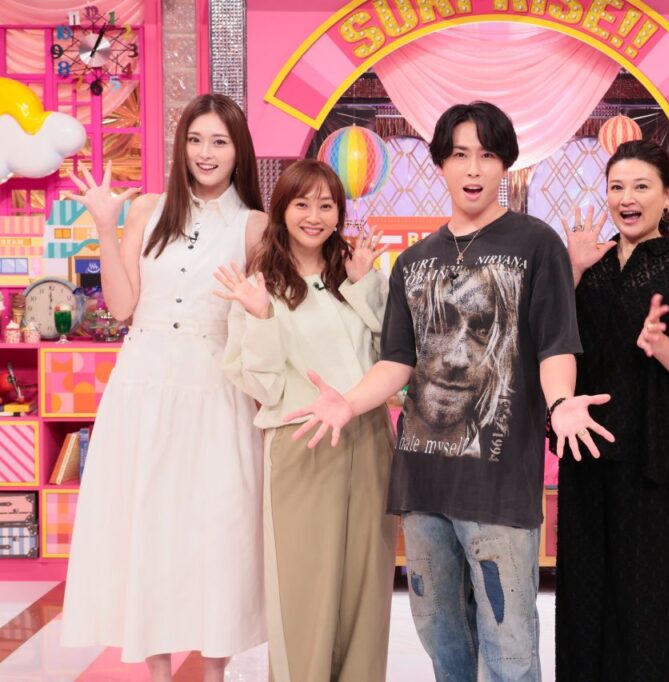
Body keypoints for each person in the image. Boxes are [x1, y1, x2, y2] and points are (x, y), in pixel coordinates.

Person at [285, 101, 613, 681]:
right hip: (422, 482)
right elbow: (397, 361)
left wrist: (561, 402)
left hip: (499, 487)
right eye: (460, 154)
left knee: (509, 647)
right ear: (441, 163)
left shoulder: (537, 245)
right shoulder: (414, 262)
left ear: (505, 164)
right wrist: (350, 402)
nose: (473, 168)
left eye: (486, 155)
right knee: (440, 636)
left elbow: (555, 347)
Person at [60, 93, 267, 681]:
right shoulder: (149, 210)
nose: (206, 152)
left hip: (216, 387)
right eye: (196, 140)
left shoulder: (255, 226)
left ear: (238, 151)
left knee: (219, 528)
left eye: (219, 141)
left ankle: (214, 671)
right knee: (146, 524)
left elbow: (264, 317)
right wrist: (105, 226)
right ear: (181, 147)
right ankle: (156, 671)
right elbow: (123, 304)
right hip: (144, 384)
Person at [217, 159, 396, 682]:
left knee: (367, 589)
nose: (314, 216)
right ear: (282, 210)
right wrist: (261, 317)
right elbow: (262, 385)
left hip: (369, 438)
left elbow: (394, 356)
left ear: (340, 213)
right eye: (302, 203)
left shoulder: (354, 275)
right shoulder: (260, 286)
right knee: (304, 592)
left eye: (326, 205)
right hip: (302, 442)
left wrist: (365, 285)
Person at [555, 139, 669, 682]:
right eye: (617, 187)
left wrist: (661, 345)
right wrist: (572, 271)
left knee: (647, 604)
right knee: (583, 599)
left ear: (668, 197)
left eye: (642, 186)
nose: (627, 197)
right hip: (586, 454)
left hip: (651, 461)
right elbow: (552, 344)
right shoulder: (590, 264)